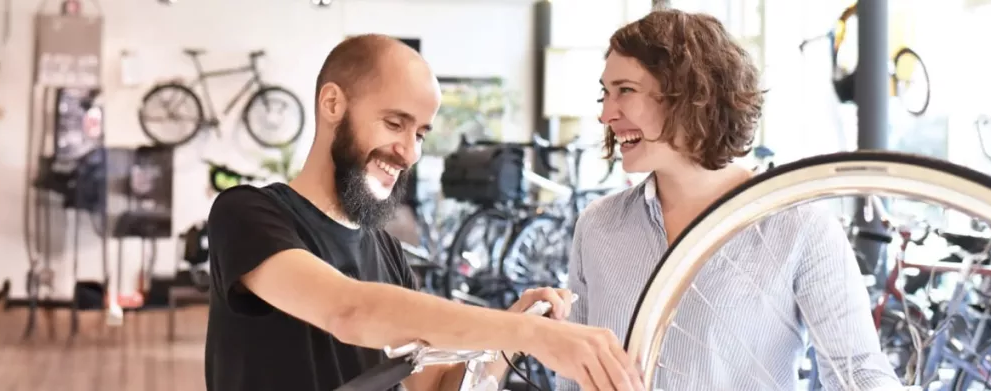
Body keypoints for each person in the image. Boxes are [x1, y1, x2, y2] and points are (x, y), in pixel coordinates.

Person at [204, 34, 643, 391]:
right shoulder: (249, 213)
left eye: (421, 134)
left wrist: (510, 336)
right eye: (395, 124)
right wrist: (531, 335)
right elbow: (348, 311)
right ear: (333, 104)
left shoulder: (387, 252)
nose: (409, 152)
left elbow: (433, 385)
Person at [558, 11, 903, 390]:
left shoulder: (799, 226)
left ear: (692, 96)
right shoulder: (599, 225)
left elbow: (858, 375)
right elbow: (575, 379)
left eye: (624, 90)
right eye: (604, 93)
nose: (606, 114)